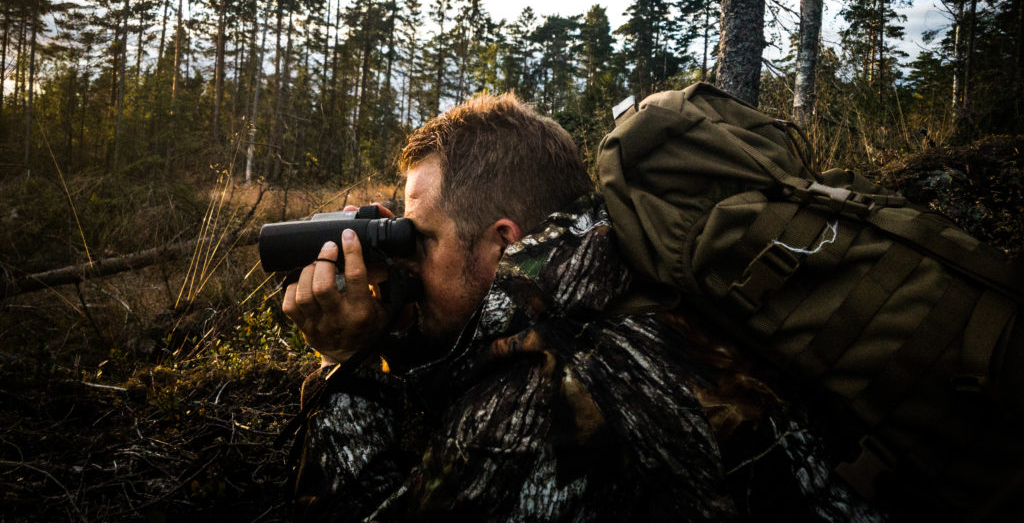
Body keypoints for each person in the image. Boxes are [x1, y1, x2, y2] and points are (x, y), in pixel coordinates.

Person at [282, 93, 885, 522]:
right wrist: (409, 336)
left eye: (425, 238)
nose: (409, 260)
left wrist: (350, 361)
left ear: (502, 240)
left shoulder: (539, 404)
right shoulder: (621, 275)